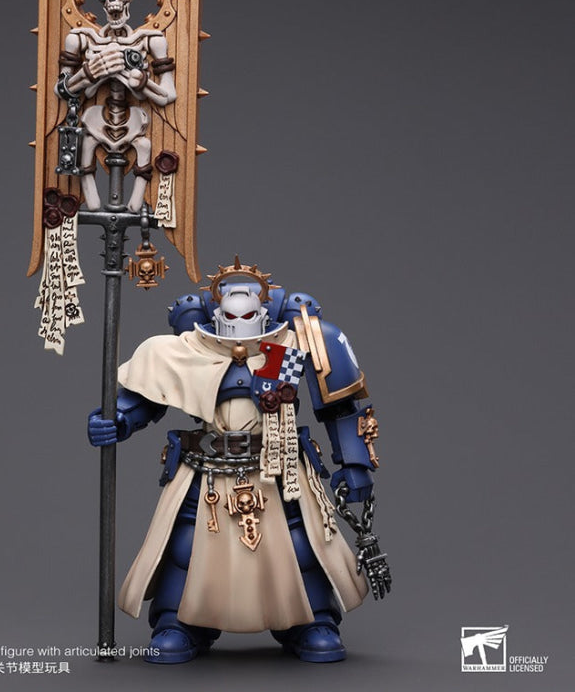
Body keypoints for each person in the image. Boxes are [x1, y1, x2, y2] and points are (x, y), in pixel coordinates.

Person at [88, 259, 390, 663]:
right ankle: (179, 622)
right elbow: (147, 396)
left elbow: (341, 406)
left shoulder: (292, 345)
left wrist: (354, 465)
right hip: (207, 468)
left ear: (265, 313)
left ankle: (312, 619)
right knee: (187, 546)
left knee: (300, 544)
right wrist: (118, 420)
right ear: (214, 314)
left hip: (278, 463)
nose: (239, 325)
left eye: (249, 316)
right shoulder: (186, 350)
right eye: (230, 316)